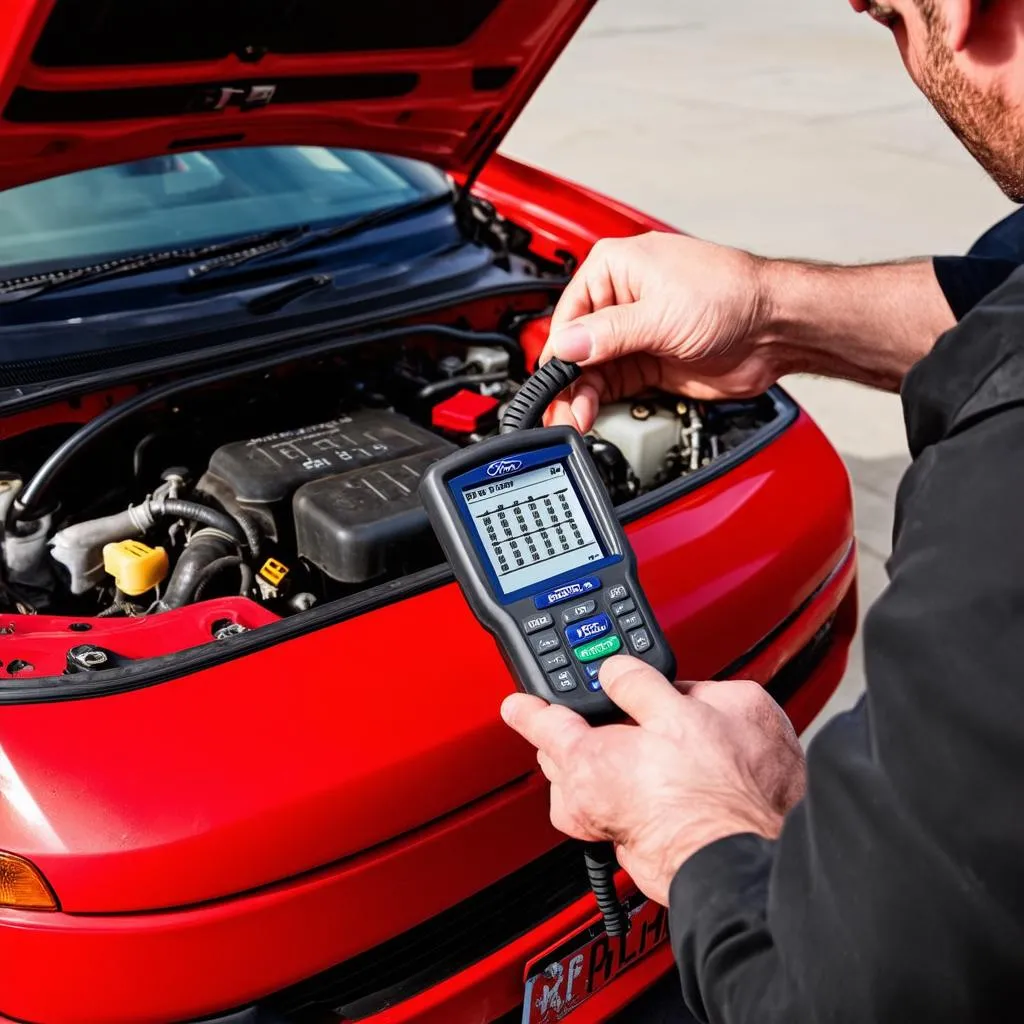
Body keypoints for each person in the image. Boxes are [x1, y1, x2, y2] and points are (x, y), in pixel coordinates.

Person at [500, 1, 1024, 1020]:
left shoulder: (1002, 490)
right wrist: (773, 312)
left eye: (888, 18)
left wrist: (710, 822)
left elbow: (847, 1000)